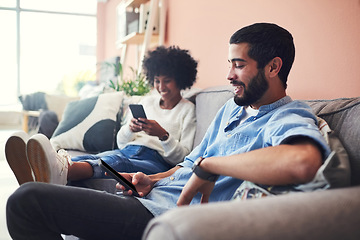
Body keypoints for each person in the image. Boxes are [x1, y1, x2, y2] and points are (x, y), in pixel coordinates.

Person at [6, 23, 331, 240]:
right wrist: (154, 179)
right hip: (153, 195)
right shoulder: (232, 108)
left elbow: (301, 162)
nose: (229, 75)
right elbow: (188, 164)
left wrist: (211, 165)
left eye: (239, 65)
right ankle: (63, 168)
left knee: (27, 200)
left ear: (273, 67)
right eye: (229, 63)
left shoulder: (289, 114)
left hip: (168, 216)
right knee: (57, 189)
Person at [5, 46, 198, 186]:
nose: (161, 87)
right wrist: (129, 129)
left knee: (113, 162)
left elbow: (184, 158)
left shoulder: (187, 110)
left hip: (155, 162)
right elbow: (121, 143)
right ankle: (48, 170)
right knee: (104, 157)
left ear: (181, 80)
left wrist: (163, 135)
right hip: (128, 150)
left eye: (167, 81)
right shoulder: (147, 101)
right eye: (157, 81)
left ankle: (50, 171)